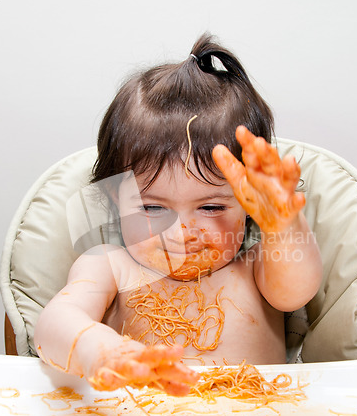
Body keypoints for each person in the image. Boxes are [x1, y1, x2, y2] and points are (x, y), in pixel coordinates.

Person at [34, 34, 322, 397]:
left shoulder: (258, 269)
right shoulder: (110, 267)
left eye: (212, 207)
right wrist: (101, 350)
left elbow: (298, 289)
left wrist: (284, 225)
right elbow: (52, 325)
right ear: (113, 198)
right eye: (153, 207)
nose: (183, 231)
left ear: (249, 207)